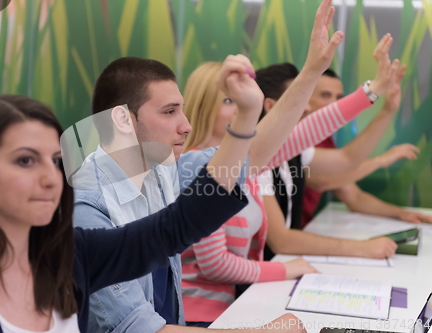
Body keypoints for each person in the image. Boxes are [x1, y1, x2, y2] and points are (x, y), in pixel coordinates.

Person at [73, 1, 346, 332]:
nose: (185, 126)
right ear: (122, 119)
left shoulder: (160, 172)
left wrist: (311, 73)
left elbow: (253, 157)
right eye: (170, 112)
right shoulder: (88, 208)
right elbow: (138, 328)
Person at [0, 94, 272, 333]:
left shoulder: (71, 254)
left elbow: (179, 225)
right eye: (25, 160)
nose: (50, 178)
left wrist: (247, 117)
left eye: (56, 161)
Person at [178, 41, 401, 323]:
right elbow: (214, 265)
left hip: (235, 305)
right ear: (202, 106)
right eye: (228, 99)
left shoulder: (243, 162)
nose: (244, 106)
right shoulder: (197, 169)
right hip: (199, 317)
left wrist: (373, 89)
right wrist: (285, 270)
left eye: (245, 98)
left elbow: (306, 131)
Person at [303, 66, 432, 226]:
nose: (334, 104)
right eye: (325, 95)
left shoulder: (325, 140)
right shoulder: (295, 136)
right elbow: (322, 180)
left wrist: (402, 214)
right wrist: (380, 160)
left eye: (339, 97)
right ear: (304, 99)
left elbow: (353, 196)